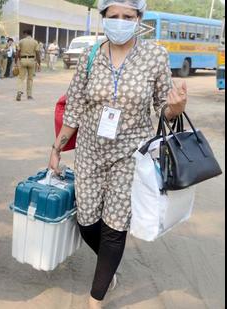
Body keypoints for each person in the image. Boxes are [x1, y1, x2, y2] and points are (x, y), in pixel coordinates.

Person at [49, 1, 188, 308]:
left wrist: (176, 106)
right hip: (89, 152)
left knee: (115, 225)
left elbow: (162, 109)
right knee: (86, 221)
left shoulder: (155, 56)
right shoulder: (90, 55)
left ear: (139, 19)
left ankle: (96, 296)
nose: (121, 22)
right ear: (104, 18)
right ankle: (107, 265)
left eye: (128, 16)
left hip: (131, 154)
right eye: (114, 17)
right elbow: (74, 106)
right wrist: (57, 148)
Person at [15, 29, 40, 101]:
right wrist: (39, 62)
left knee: (21, 78)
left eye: (24, 34)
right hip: (32, 60)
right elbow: (37, 53)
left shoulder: (21, 41)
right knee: (30, 79)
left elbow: (17, 52)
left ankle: (19, 91)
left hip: (23, 60)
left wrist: (16, 62)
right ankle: (29, 95)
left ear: (25, 33)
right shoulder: (35, 42)